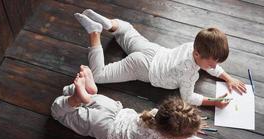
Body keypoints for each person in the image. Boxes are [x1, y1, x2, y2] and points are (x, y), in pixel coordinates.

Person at [51, 66, 206, 139]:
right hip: (104, 127)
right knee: (59, 113)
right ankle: (75, 99)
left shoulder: (156, 114)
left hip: (114, 109)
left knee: (89, 98)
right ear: (171, 134)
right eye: (186, 137)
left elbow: (171, 123)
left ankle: (86, 92)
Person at [74, 9, 247, 109]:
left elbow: (209, 65)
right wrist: (213, 102)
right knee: (98, 76)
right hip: (143, 68)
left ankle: (110, 24)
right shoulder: (188, 74)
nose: (213, 67)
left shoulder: (193, 46)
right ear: (197, 55)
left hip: (153, 51)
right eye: (212, 63)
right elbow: (187, 98)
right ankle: (94, 33)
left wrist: (227, 77)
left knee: (125, 32)